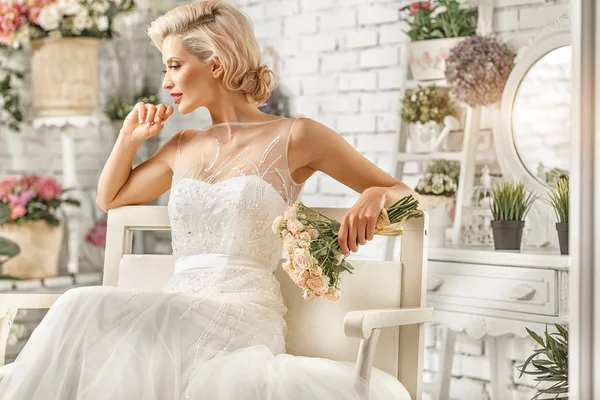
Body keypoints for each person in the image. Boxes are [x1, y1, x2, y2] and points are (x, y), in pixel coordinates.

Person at [0, 1, 420, 398]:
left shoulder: (296, 135)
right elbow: (111, 199)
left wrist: (375, 193)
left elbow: (406, 196)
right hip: (177, 308)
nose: (166, 83)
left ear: (216, 64)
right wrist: (128, 139)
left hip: (242, 317)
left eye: (175, 66)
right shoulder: (183, 144)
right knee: (89, 319)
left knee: (80, 303)